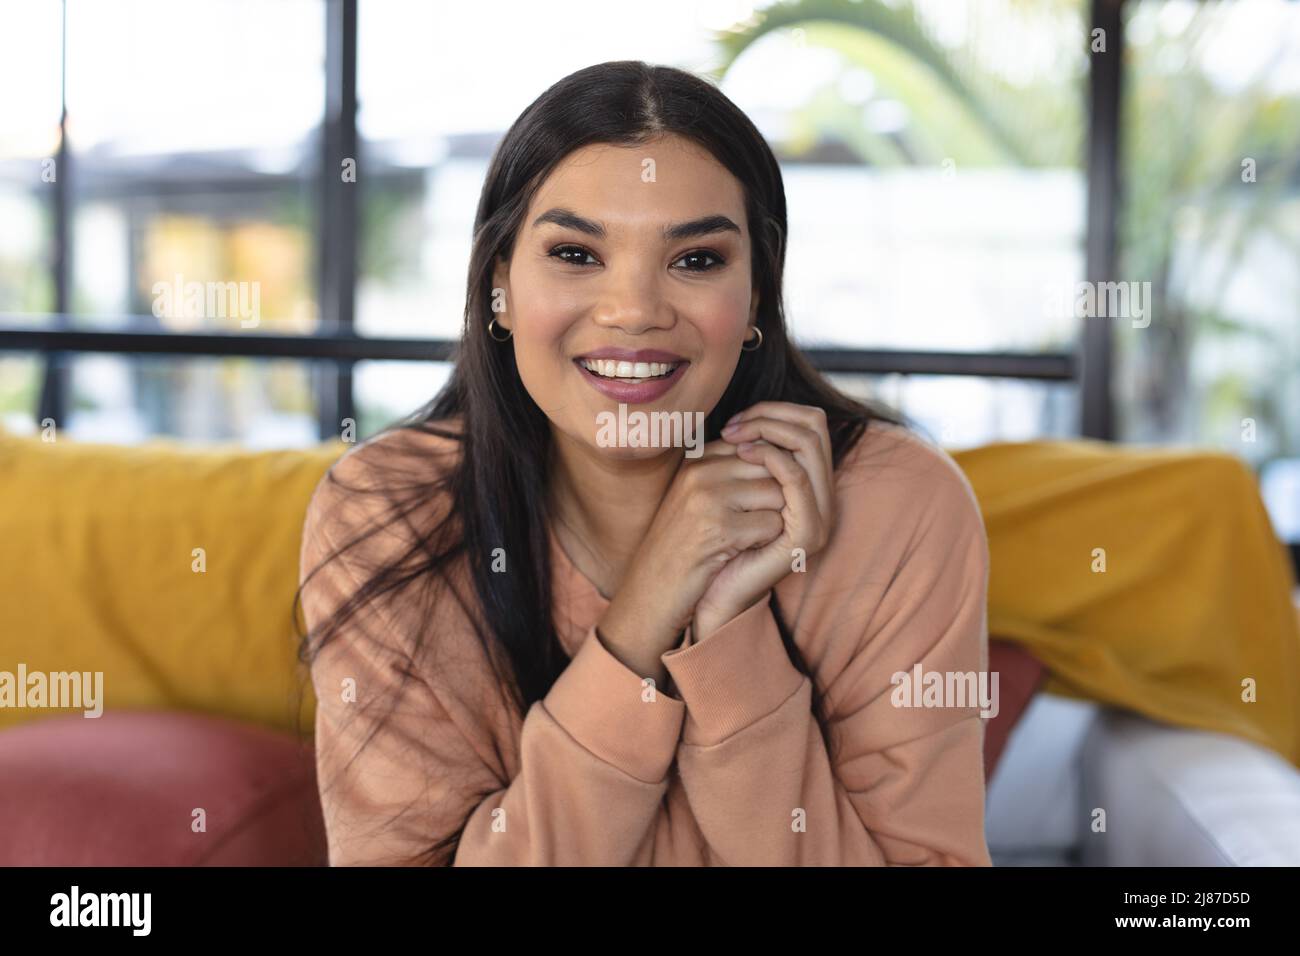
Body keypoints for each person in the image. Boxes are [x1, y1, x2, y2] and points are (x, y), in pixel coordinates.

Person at [298, 60, 992, 866]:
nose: (634, 311)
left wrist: (730, 636)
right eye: (575, 254)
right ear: (499, 286)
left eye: (695, 259)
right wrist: (643, 616)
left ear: (760, 294)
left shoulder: (899, 506)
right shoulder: (388, 510)